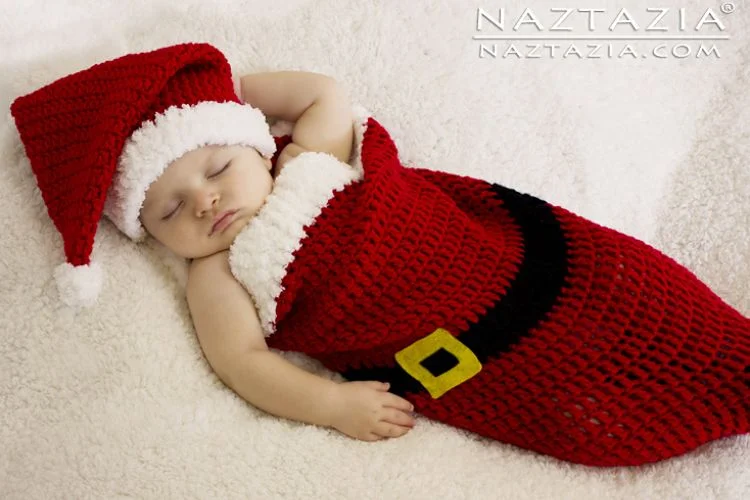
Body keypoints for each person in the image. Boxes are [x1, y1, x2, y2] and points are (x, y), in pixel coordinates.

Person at [11, 42, 749, 467]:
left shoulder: (312, 161)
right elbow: (245, 366)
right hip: (455, 339)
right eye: (169, 209)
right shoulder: (217, 278)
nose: (204, 202)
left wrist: (221, 86)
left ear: (254, 140)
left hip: (504, 261)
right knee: (576, 392)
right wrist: (331, 405)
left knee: (635, 295)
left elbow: (322, 93)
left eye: (214, 169)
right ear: (153, 235)